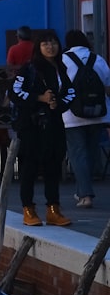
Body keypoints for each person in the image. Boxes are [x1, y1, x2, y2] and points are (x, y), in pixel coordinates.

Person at [10, 29, 72, 227]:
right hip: (32, 125)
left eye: (53, 42)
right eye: (45, 43)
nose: (50, 46)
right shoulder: (29, 69)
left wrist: (58, 104)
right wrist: (39, 99)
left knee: (54, 166)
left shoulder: (61, 68)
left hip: (54, 124)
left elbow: (71, 93)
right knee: (29, 167)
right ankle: (28, 209)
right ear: (39, 47)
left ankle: (53, 209)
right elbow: (14, 92)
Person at [61, 29, 110, 209]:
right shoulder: (98, 59)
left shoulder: (64, 60)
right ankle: (82, 189)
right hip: (98, 114)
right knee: (89, 153)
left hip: (71, 116)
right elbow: (108, 86)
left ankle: (85, 194)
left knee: (78, 154)